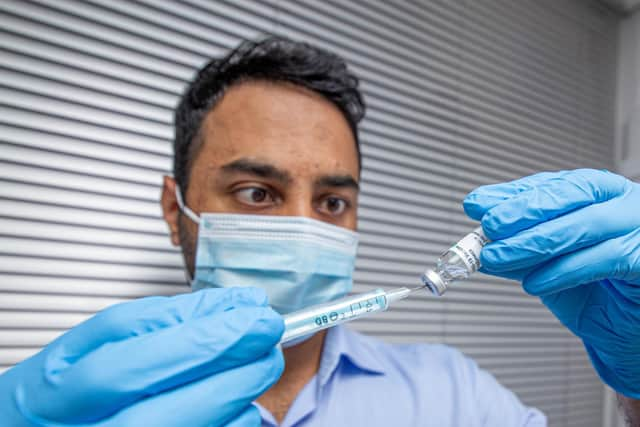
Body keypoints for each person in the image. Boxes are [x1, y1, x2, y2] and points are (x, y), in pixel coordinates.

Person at [1, 36, 638, 427]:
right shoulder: (83, 400)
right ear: (176, 211)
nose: (303, 230)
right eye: (257, 193)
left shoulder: (455, 398)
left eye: (332, 201)